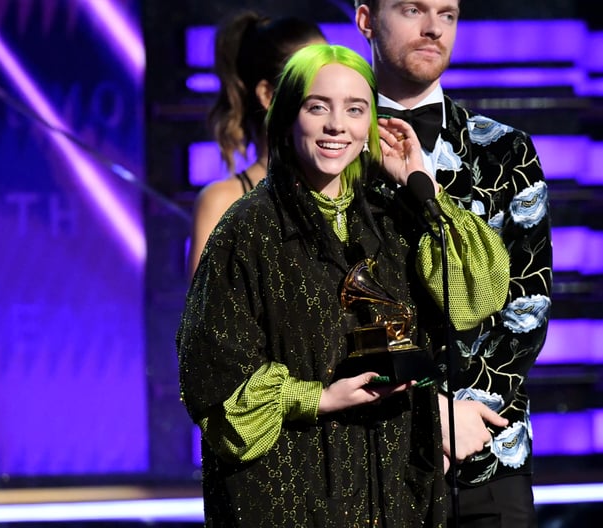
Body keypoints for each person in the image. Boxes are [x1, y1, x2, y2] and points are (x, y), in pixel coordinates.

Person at [176, 42, 512, 527]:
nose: (338, 126)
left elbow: (476, 293)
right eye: (319, 107)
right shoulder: (248, 228)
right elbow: (211, 377)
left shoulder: (390, 216)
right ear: (288, 117)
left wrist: (423, 186)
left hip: (393, 487)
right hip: (288, 489)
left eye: (355, 110)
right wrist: (319, 397)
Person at [354, 2, 552, 527]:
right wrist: (424, 414)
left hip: (489, 453)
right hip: (368, 455)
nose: (433, 28)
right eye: (413, 9)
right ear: (366, 20)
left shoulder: (506, 149)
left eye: (448, 13)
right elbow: (327, 305)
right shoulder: (334, 148)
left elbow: (527, 308)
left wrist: (467, 413)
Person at [188, 11, 326, 276]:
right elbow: (206, 313)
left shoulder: (347, 193)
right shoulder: (222, 202)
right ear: (269, 95)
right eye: (313, 80)